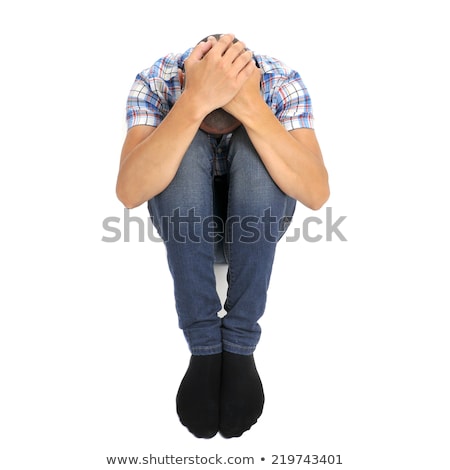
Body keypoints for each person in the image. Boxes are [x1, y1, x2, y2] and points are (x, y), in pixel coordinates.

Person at [116, 34, 329, 439]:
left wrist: (250, 107)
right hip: (184, 224)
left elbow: (317, 194)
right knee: (184, 136)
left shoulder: (279, 81)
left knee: (255, 141)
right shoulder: (157, 81)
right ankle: (204, 345)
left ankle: (240, 340)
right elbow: (129, 192)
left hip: (257, 226)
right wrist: (192, 105)